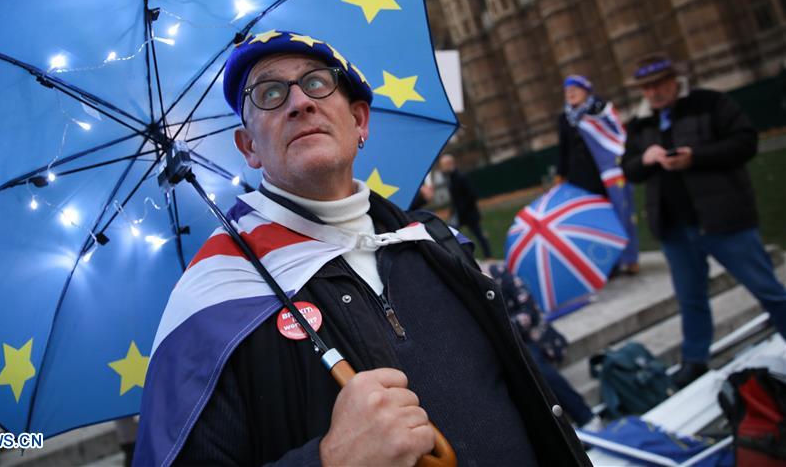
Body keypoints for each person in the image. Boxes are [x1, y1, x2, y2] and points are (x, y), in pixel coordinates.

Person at [134, 31, 589, 466]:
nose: (300, 102)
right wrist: (329, 461)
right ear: (249, 146)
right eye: (270, 94)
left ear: (358, 121)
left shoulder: (434, 243)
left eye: (316, 82)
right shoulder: (216, 300)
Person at [621, 55, 786, 388]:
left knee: (765, 286)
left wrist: (695, 157)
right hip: (674, 226)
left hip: (723, 218)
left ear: (674, 80)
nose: (653, 92)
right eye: (646, 87)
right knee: (690, 298)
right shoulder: (639, 125)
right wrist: (646, 158)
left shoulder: (710, 102)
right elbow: (629, 168)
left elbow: (745, 142)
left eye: (658, 84)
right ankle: (695, 360)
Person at [483, 261, 595, 428]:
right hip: (504, 349)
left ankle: (586, 418)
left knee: (534, 365)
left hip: (532, 339)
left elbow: (529, 310)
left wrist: (503, 329)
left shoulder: (496, 272)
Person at [556, 74, 639, 275]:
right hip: (581, 179)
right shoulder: (564, 118)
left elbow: (616, 137)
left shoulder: (600, 110)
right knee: (593, 222)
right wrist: (561, 174)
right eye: (568, 91)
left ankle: (629, 258)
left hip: (605, 175)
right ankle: (608, 264)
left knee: (619, 216)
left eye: (575, 90)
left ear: (586, 91)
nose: (571, 94)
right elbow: (564, 149)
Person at [438, 153, 492, 258]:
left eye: (443, 165)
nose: (442, 168)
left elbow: (472, 195)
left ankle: (489, 256)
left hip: (468, 214)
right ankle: (458, 257)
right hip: (460, 215)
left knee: (479, 235)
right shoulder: (451, 178)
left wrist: (463, 209)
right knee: (452, 234)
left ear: (450, 164)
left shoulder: (460, 177)